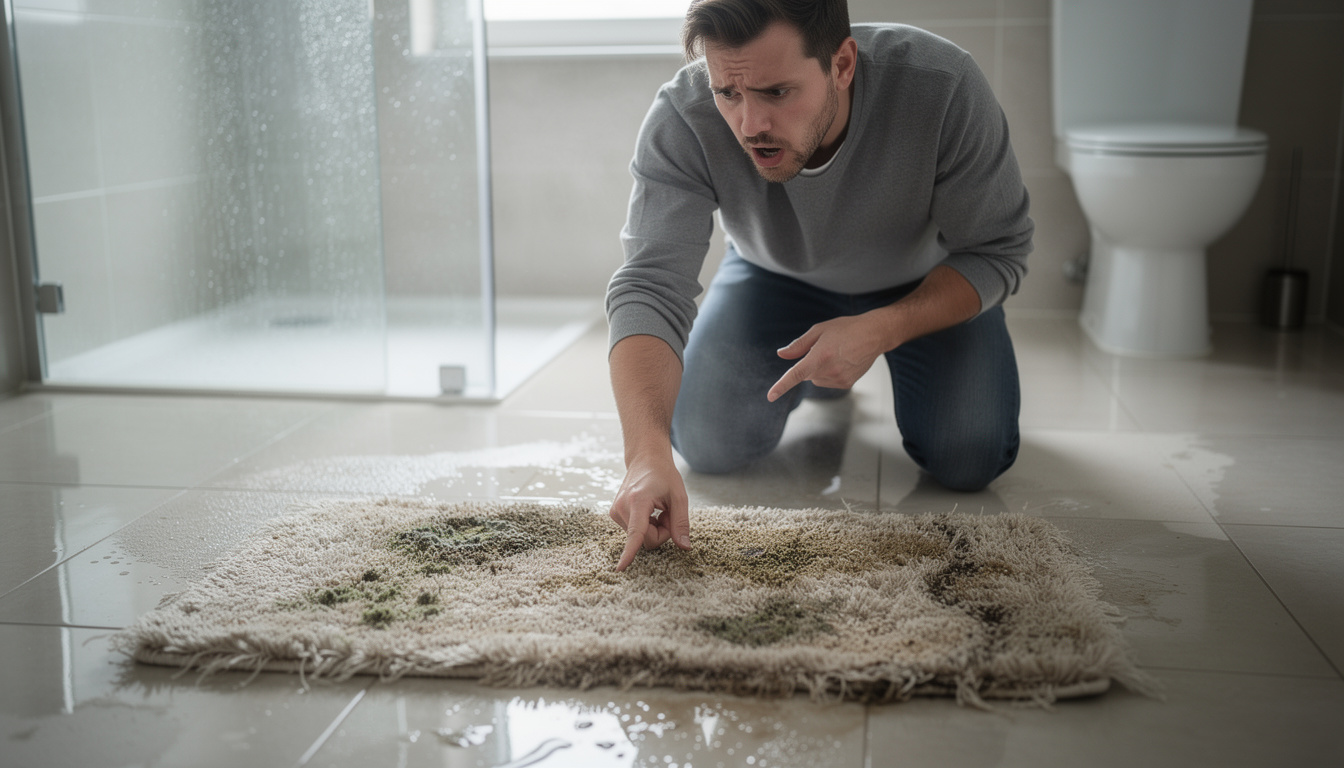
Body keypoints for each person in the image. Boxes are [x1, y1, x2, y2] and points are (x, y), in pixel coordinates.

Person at [605, 0, 1032, 572]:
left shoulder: (942, 86)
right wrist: (644, 455)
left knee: (969, 458)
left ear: (843, 64)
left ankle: (851, 357)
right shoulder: (683, 115)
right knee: (704, 440)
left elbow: (998, 250)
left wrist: (880, 329)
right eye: (727, 93)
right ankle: (826, 376)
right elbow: (648, 285)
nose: (749, 124)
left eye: (777, 92)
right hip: (774, 275)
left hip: (923, 283)